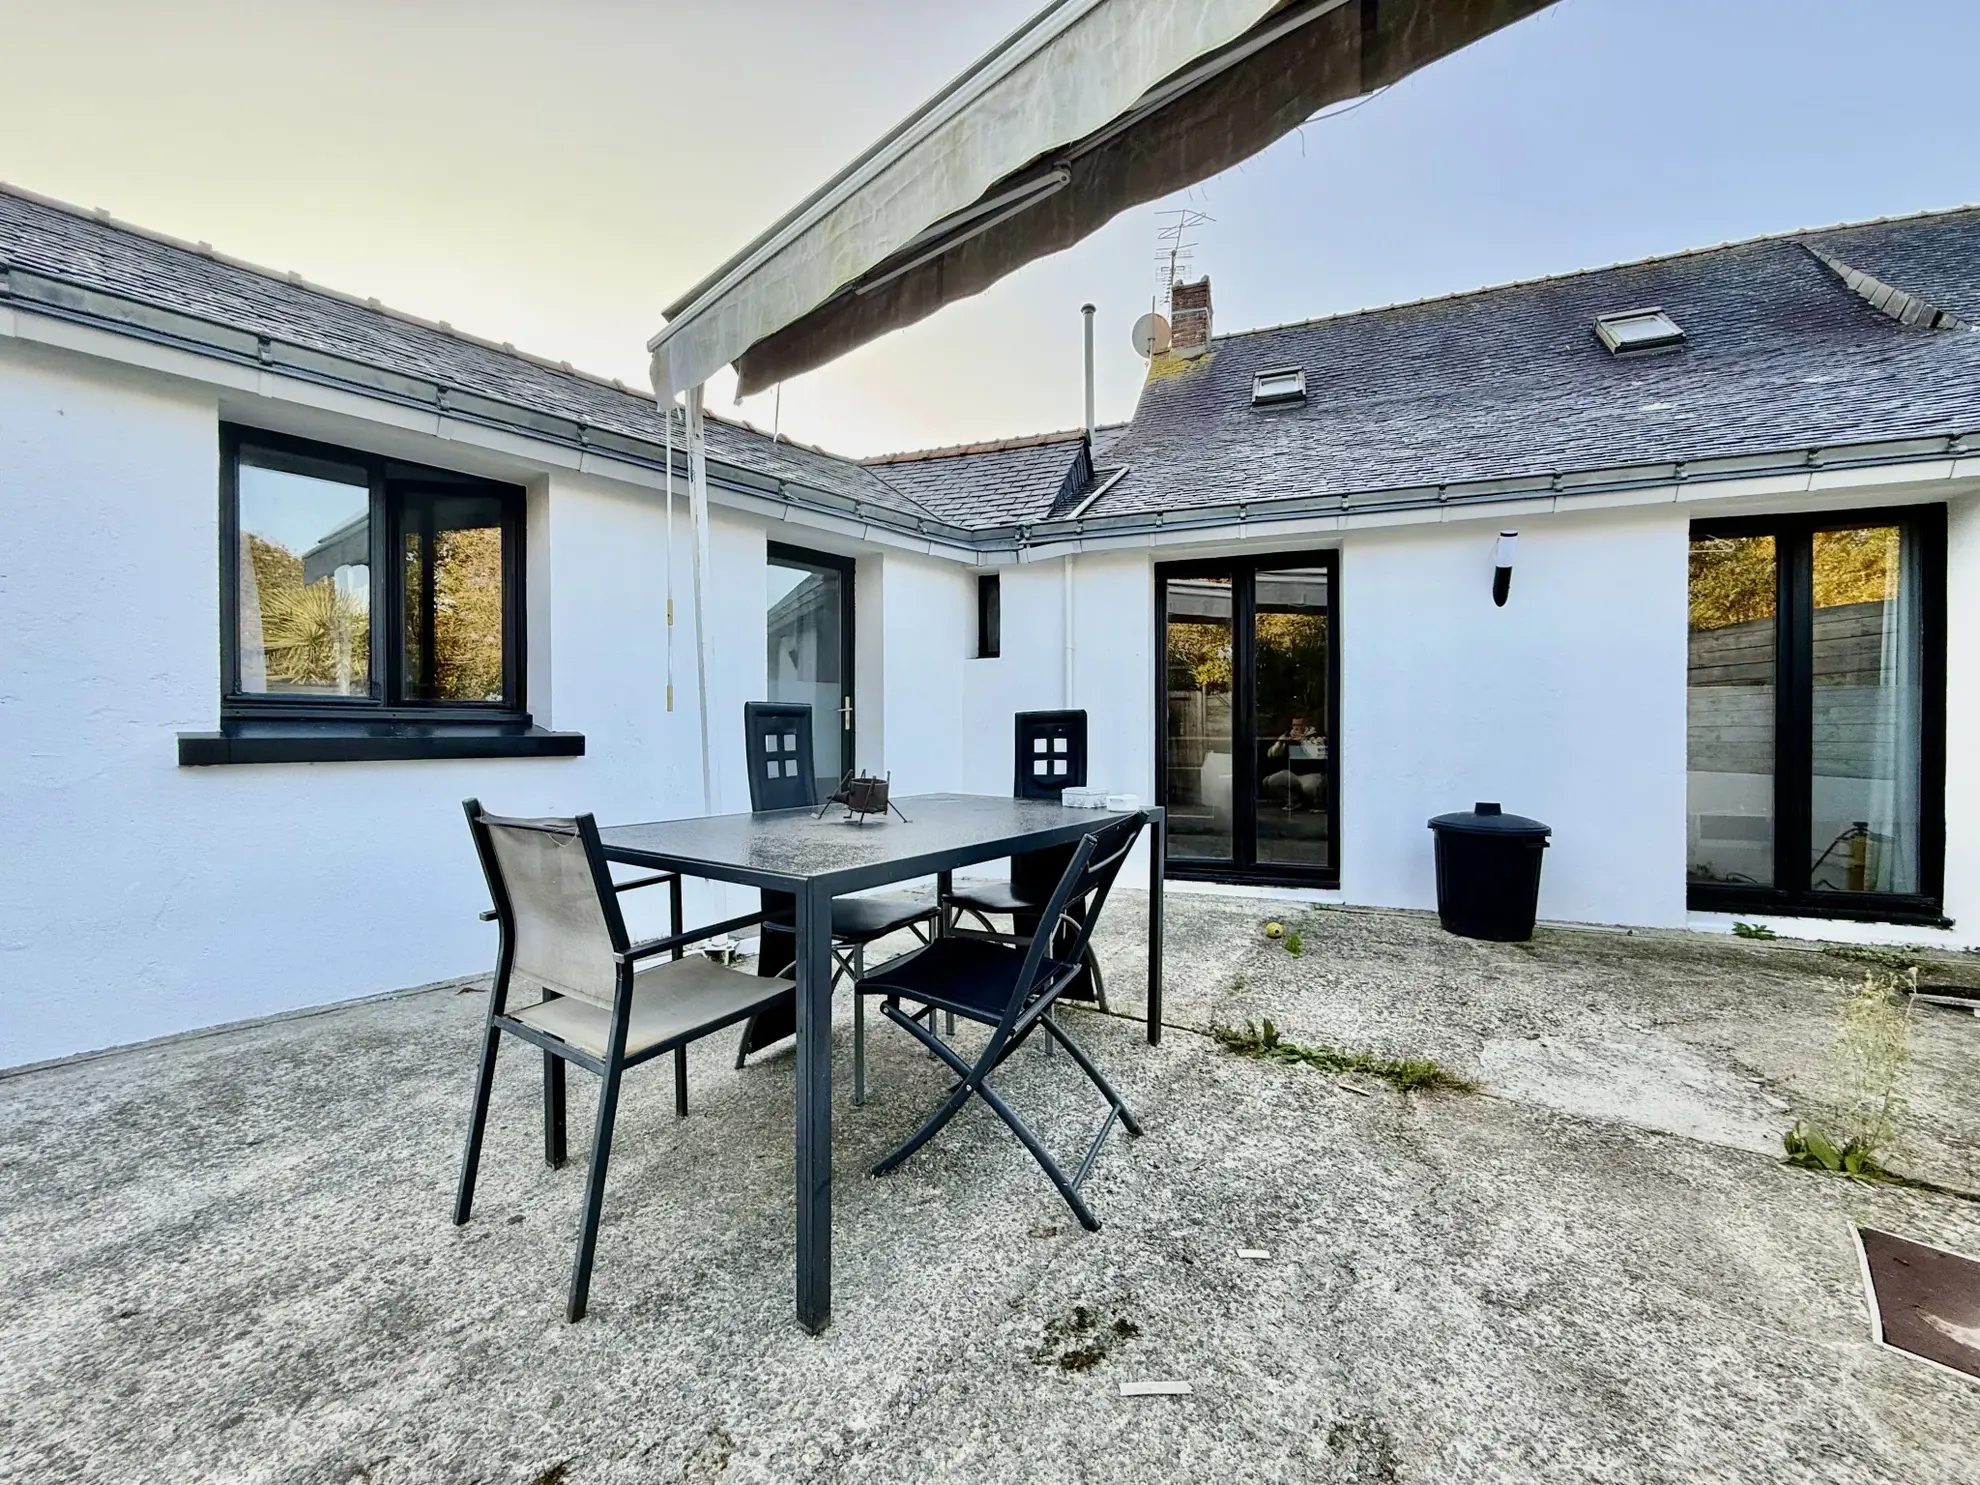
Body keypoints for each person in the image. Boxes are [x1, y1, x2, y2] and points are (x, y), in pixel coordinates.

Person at [1262, 715, 1327, 810]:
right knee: (1269, 781)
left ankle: (1318, 804)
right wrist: (1280, 743)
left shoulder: (1316, 737)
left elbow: (1317, 755)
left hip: (1312, 773)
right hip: (1293, 773)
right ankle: (1293, 800)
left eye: (1299, 725)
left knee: (1310, 787)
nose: (1296, 727)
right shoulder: (1289, 737)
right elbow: (1271, 754)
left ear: (1306, 725)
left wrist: (1303, 741)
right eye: (1294, 725)